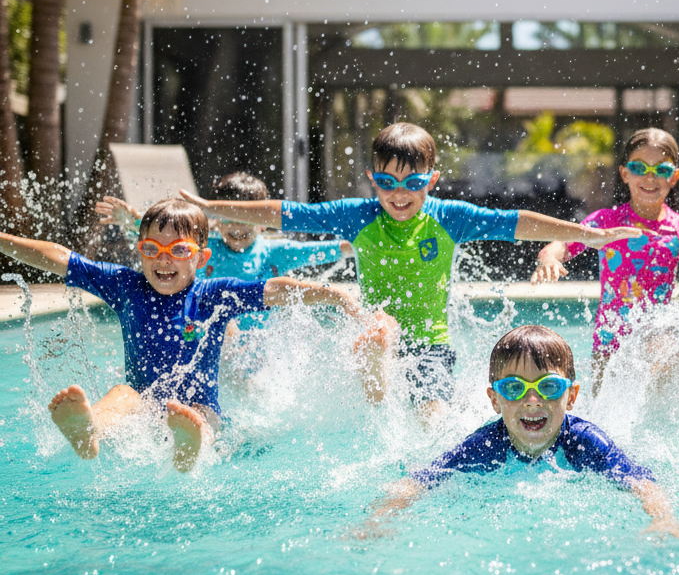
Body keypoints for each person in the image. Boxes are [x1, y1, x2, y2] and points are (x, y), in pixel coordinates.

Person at [181, 123, 635, 419]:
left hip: (433, 346)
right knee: (379, 329)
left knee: (431, 421)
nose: (400, 194)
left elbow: (517, 223)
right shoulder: (357, 215)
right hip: (377, 336)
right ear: (372, 178)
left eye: (414, 183)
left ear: (431, 180)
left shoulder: (448, 216)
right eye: (388, 183)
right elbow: (287, 214)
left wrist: (587, 235)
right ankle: (380, 415)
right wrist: (211, 208)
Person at [0, 199, 384, 471]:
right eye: (152, 248)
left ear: (201, 258)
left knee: (201, 418)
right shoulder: (124, 286)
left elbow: (274, 288)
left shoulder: (215, 294)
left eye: (178, 249)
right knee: (125, 395)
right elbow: (60, 258)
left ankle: (188, 451)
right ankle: (89, 432)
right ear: (140, 251)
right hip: (144, 399)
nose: (163, 258)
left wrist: (333, 295)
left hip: (201, 406)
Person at [360, 325, 679, 538]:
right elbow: (422, 479)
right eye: (514, 388)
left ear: (572, 396)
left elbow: (641, 482)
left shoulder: (584, 441)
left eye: (549, 387)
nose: (532, 400)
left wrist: (663, 519)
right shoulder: (486, 444)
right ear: (494, 399)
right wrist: (380, 516)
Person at [532, 128, 679, 392]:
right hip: (609, 346)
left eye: (661, 169)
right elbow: (563, 245)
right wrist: (548, 257)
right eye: (640, 167)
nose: (650, 177)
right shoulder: (606, 222)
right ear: (625, 173)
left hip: (656, 346)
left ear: (674, 177)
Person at [96, 171, 348, 282]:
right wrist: (133, 222)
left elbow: (323, 251)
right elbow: (168, 238)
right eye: (227, 217)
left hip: (254, 355)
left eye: (247, 218)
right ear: (214, 220)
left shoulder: (276, 253)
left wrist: (354, 246)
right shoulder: (204, 250)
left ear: (264, 225)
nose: (237, 226)